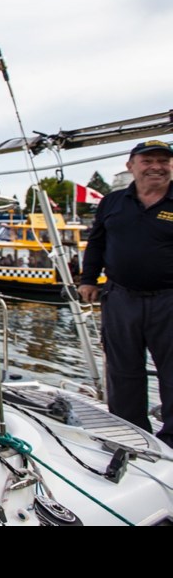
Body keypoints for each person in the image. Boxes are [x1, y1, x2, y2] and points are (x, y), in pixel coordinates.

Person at [79, 139, 173, 448]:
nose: (156, 166)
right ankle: (131, 435)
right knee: (122, 371)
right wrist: (88, 279)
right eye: (148, 161)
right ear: (130, 165)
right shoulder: (112, 202)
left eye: (164, 160)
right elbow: (97, 242)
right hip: (120, 298)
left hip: (168, 301)